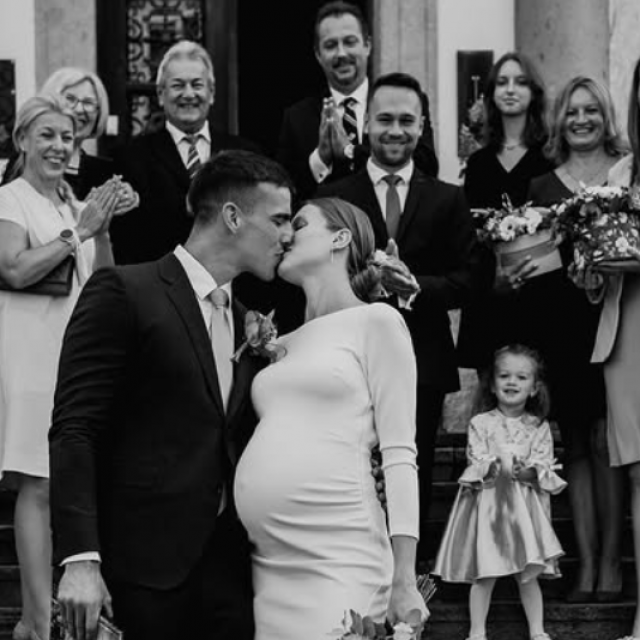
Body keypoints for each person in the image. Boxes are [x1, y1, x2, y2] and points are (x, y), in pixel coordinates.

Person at [49, 150, 293, 640]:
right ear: (232, 217)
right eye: (279, 219)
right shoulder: (125, 291)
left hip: (228, 572)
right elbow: (75, 428)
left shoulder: (245, 319)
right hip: (138, 570)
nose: (288, 235)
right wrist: (80, 558)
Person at [234, 196, 427, 640]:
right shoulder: (282, 343)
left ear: (340, 238)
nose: (286, 234)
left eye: (299, 224)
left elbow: (400, 452)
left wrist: (404, 577)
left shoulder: (377, 321)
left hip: (340, 549)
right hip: (268, 563)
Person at [317, 72, 476, 547]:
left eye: (407, 120)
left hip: (421, 359)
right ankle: (357, 564)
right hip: (348, 358)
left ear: (422, 126)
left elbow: (468, 280)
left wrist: (416, 287)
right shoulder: (334, 198)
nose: (395, 130)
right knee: (348, 466)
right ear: (366, 123)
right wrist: (363, 285)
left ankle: (414, 572)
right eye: (385, 119)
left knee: (414, 466)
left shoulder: (448, 198)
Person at [0, 94, 118, 640]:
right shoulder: (10, 199)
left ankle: (56, 610)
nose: (59, 146)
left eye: (67, 137)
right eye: (46, 134)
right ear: (22, 140)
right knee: (39, 482)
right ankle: (34, 620)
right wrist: (79, 233)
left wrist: (102, 226)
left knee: (69, 477)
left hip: (73, 355)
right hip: (28, 351)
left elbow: (104, 283)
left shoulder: (74, 206)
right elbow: (14, 269)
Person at [528, 76, 626, 603]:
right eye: (572, 111)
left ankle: (611, 563)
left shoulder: (627, 173)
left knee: (608, 442)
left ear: (605, 116)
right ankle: (585, 563)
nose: (581, 119)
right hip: (562, 325)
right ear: (559, 120)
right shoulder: (542, 186)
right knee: (578, 447)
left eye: (591, 110)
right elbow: (534, 261)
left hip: (617, 320)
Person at [433, 344, 566, 640]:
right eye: (504, 376)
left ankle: (537, 630)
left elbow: (545, 464)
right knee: (485, 573)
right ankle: (477, 631)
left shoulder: (538, 426)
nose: (512, 382)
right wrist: (495, 466)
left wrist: (527, 472)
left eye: (521, 377)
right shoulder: (480, 423)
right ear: (492, 385)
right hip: (490, 510)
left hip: (524, 512)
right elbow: (476, 459)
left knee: (527, 574)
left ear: (534, 388)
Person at [110, 40, 257, 265]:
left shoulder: (246, 154)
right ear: (161, 94)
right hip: (160, 277)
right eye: (178, 85)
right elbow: (127, 237)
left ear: (211, 93)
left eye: (197, 85)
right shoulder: (130, 158)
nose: (188, 94)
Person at [276, 1, 438, 200]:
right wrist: (320, 159)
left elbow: (427, 167)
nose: (341, 53)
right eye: (330, 45)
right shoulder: (297, 118)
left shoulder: (405, 102)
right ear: (318, 55)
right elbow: (284, 192)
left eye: (350, 42)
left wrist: (351, 152)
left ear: (367, 45)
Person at [457, 51, 554, 371]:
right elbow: (469, 231)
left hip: (540, 295)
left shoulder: (550, 157)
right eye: (502, 82)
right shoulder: (478, 163)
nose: (510, 89)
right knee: (491, 387)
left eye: (520, 82)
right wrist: (492, 278)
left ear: (533, 93)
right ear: (491, 93)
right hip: (490, 294)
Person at [591, 55, 640, 640]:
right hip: (627, 329)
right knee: (637, 477)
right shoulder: (618, 175)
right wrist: (591, 270)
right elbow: (603, 262)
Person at [2, 67, 114, 199]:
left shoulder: (105, 171)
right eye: (70, 99)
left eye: (88, 102)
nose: (79, 109)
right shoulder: (25, 161)